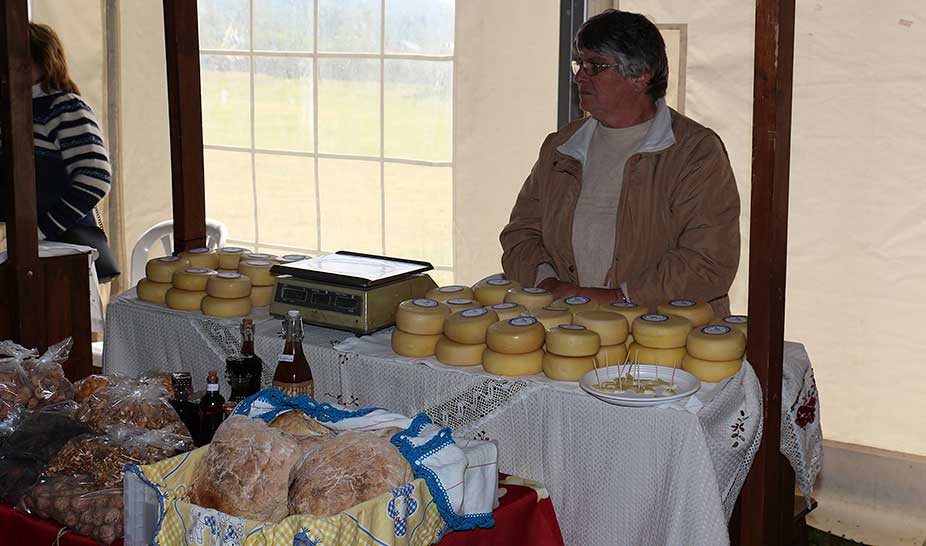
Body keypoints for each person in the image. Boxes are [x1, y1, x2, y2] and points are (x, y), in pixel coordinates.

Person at [499, 9, 739, 316]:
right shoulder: (560, 148)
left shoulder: (695, 152)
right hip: (568, 333)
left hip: (666, 343)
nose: (578, 76)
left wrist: (617, 297)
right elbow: (520, 234)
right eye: (579, 64)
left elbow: (709, 261)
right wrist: (547, 283)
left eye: (595, 66)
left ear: (640, 75)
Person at [12, 23, 117, 280]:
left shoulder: (64, 108)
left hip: (59, 254)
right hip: (19, 252)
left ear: (42, 60)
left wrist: (39, 231)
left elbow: (95, 178)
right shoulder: (12, 108)